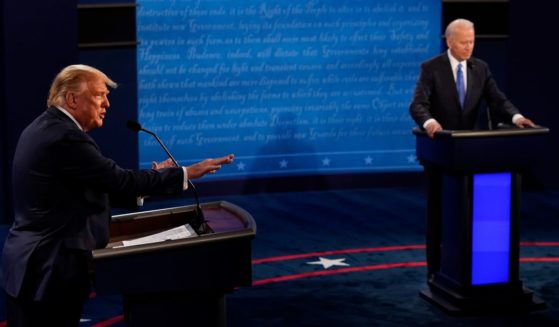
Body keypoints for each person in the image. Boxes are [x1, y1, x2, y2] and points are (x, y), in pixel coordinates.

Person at [0, 64, 234, 326]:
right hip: (49, 269)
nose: (107, 104)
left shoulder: (46, 127)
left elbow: (91, 190)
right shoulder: (65, 137)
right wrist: (186, 173)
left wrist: (148, 181)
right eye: (100, 95)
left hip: (36, 266)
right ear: (72, 99)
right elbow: (119, 180)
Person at [409, 18, 536, 280]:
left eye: (473, 41)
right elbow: (417, 105)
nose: (470, 47)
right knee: (439, 216)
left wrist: (516, 118)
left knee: (469, 217)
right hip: (441, 154)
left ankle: (468, 271)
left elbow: (497, 99)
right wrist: (430, 122)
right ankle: (435, 271)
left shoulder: (481, 68)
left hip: (473, 155)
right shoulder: (431, 68)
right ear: (449, 41)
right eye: (464, 42)